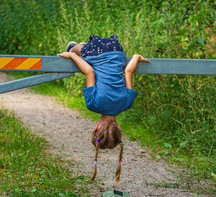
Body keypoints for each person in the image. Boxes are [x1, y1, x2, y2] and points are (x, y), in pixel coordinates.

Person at [57, 34, 149, 183]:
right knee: (80, 51)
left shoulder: (127, 103)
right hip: (94, 50)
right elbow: (89, 71)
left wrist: (137, 57)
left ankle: (81, 47)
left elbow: (128, 71)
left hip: (117, 50)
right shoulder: (93, 104)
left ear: (119, 127)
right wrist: (71, 56)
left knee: (89, 52)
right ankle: (74, 48)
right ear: (96, 127)